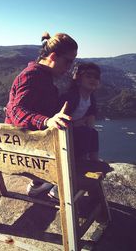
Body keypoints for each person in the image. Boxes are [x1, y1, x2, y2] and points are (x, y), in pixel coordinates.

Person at [5, 32, 78, 197]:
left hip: (29, 141)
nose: (69, 66)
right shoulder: (31, 75)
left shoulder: (44, 76)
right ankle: (55, 183)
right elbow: (16, 112)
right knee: (84, 137)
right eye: (68, 61)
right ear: (53, 56)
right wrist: (47, 121)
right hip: (23, 143)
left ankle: (42, 182)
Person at [59, 62, 101, 162]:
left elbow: (90, 120)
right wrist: (73, 124)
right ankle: (82, 161)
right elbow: (58, 118)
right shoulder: (70, 97)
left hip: (76, 131)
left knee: (92, 132)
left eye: (96, 77)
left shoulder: (91, 98)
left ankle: (94, 160)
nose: (93, 80)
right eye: (88, 76)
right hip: (63, 132)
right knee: (85, 132)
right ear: (78, 78)